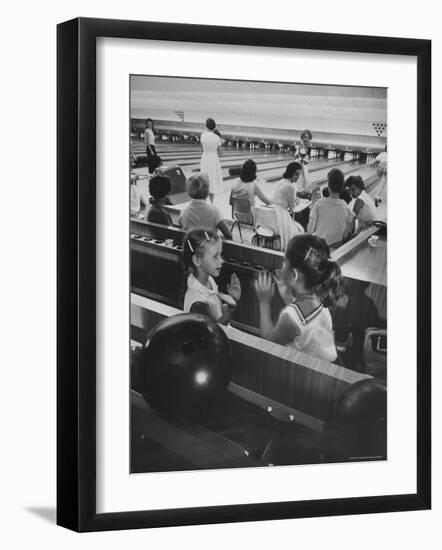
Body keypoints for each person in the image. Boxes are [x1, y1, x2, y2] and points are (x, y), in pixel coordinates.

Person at [254, 234, 343, 362]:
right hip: (322, 369)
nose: (282, 266)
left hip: (302, 376)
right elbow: (303, 322)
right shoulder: (320, 297)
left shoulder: (289, 317)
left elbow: (269, 346)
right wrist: (288, 297)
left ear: (294, 274)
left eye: (284, 262)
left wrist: (264, 301)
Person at [182, 228, 241, 325]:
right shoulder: (198, 304)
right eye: (215, 256)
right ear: (197, 260)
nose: (221, 261)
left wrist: (233, 299)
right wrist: (231, 309)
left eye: (220, 255)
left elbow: (217, 310)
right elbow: (215, 330)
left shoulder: (209, 280)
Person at [307, 168, 354, 247]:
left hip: (320, 248)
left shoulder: (319, 204)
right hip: (337, 249)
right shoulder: (347, 209)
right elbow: (346, 234)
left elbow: (310, 230)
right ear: (341, 187)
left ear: (328, 186)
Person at [179, 173, 232, 239]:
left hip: (192, 248)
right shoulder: (214, 211)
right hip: (210, 248)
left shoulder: (183, 212)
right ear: (206, 191)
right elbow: (229, 236)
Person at [272, 162, 305, 251]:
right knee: (300, 231)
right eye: (296, 174)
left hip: (274, 213)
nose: (298, 177)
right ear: (290, 173)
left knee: (298, 229)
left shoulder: (281, 182)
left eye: (299, 175)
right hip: (282, 216)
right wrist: (297, 201)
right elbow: (292, 208)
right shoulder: (290, 187)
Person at [200, 118, 225, 203]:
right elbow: (220, 153)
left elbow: (202, 150)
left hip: (205, 159)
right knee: (212, 181)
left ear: (206, 126)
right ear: (214, 127)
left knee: (204, 179)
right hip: (214, 160)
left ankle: (204, 201)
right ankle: (212, 203)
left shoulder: (202, 135)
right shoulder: (217, 137)